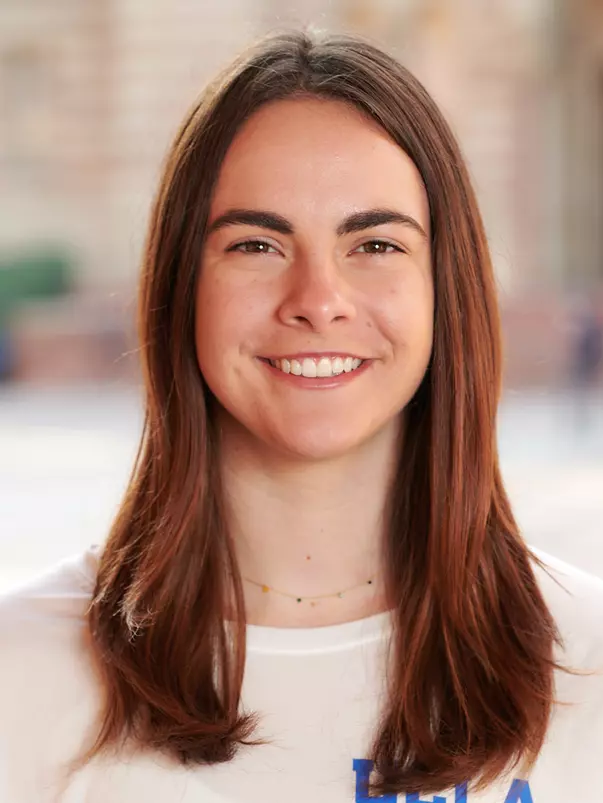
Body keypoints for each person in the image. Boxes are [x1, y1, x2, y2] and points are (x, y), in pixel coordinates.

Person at [1, 29, 602, 803]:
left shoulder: (585, 661)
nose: (318, 300)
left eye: (375, 245)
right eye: (256, 244)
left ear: (444, 287)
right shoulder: (21, 671)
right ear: (182, 285)